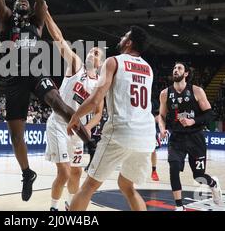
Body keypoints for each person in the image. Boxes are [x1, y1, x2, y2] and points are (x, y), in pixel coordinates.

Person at [0, 0, 89, 201]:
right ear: (13, 8)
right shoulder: (6, 20)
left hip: (36, 72)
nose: (23, 2)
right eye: (19, 1)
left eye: (26, 1)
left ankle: (93, 144)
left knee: (61, 105)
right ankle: (27, 174)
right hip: (13, 78)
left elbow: (42, 2)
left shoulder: (37, 22)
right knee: (16, 135)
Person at [67, 26, 157, 211]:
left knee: (89, 186)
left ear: (129, 42)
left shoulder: (114, 61)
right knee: (127, 186)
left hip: (121, 132)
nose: (122, 37)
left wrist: (76, 116)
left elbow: (96, 98)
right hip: (146, 137)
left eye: (125, 36)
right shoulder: (148, 69)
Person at [43, 11, 104, 211]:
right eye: (91, 51)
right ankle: (53, 208)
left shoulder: (99, 85)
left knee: (76, 173)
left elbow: (98, 114)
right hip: (59, 124)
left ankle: (71, 206)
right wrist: (46, 14)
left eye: (96, 53)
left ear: (100, 63)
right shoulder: (76, 65)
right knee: (65, 173)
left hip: (77, 130)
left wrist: (85, 127)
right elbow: (59, 38)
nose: (91, 53)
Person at [158, 62, 222, 211]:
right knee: (173, 168)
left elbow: (209, 114)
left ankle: (213, 183)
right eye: (174, 68)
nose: (175, 70)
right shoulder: (165, 93)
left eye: (179, 68)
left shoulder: (196, 91)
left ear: (186, 73)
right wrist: (162, 129)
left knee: (198, 177)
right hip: (177, 138)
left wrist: (193, 121)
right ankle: (179, 206)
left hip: (195, 137)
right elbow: (161, 116)